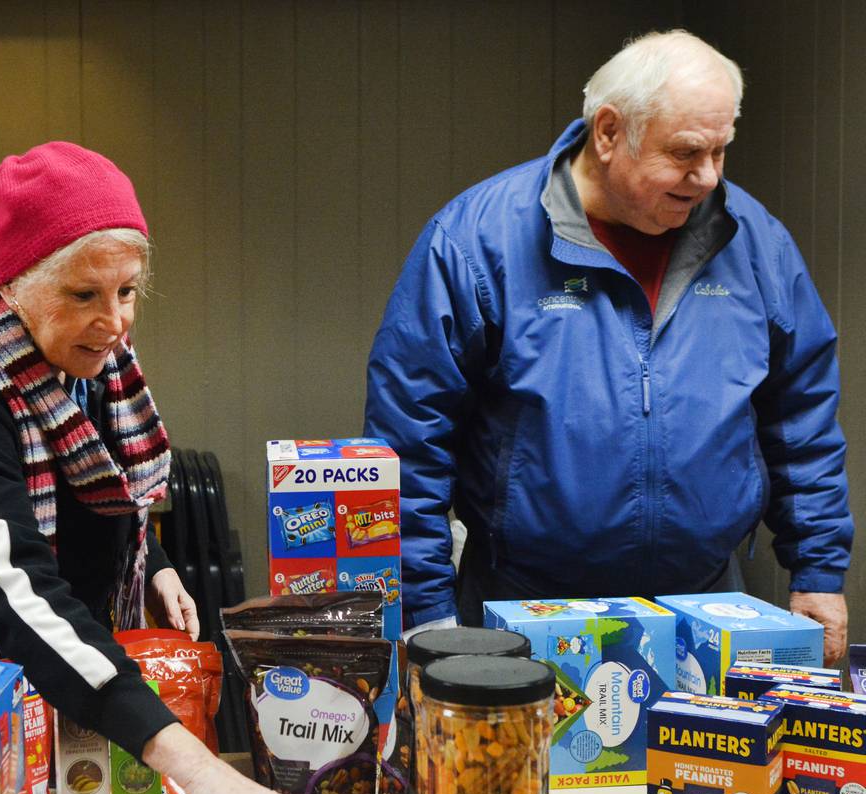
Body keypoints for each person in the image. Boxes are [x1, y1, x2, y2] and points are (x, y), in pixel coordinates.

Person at [0, 141, 321, 794]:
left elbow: (101, 491)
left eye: (128, 291)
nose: (114, 322)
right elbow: (19, 591)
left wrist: (155, 558)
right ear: (11, 285)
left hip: (56, 683)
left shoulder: (84, 357)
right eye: (84, 295)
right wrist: (207, 775)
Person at [364, 30, 852, 662]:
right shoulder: (476, 241)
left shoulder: (756, 243)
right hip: (523, 607)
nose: (706, 177)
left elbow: (801, 418)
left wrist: (818, 571)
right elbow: (408, 441)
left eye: (721, 151)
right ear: (609, 132)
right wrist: (426, 614)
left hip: (707, 607)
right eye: (684, 153)